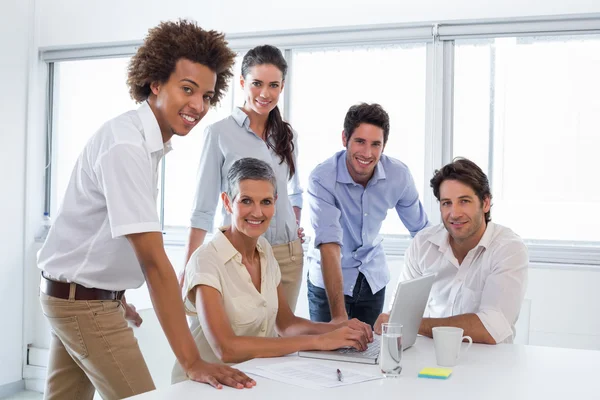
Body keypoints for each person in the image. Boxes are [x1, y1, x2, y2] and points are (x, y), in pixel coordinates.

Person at [36, 20, 255, 400]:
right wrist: (192, 361)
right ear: (155, 83)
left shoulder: (142, 141)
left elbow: (102, 234)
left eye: (206, 95)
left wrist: (114, 293)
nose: (198, 106)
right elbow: (155, 263)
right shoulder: (127, 146)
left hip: (76, 297)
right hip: (82, 306)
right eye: (187, 89)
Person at [173, 158, 372, 383]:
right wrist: (319, 342)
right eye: (246, 201)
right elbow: (226, 348)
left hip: (252, 379)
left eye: (266, 202)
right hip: (203, 387)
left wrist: (334, 328)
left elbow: (286, 325)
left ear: (275, 203)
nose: (257, 212)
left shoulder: (265, 250)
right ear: (228, 202)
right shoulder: (206, 260)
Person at [185, 45, 304, 312]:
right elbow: (203, 208)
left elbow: (293, 192)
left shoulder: (288, 136)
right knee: (235, 343)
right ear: (242, 82)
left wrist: (293, 223)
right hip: (239, 255)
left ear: (282, 87)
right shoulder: (219, 134)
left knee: (281, 340)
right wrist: (188, 267)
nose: (265, 93)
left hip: (288, 256)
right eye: (257, 83)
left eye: (274, 85)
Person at [374, 158, 528, 344]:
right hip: (429, 361)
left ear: (485, 203)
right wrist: (394, 322)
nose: (454, 213)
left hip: (488, 365)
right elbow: (399, 313)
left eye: (464, 201)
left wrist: (410, 323)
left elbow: (490, 328)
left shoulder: (508, 248)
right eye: (446, 203)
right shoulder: (423, 244)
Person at [306, 103, 429, 328]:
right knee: (327, 357)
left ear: (384, 146)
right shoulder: (322, 179)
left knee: (371, 355)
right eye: (360, 142)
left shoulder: (398, 175)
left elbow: (422, 231)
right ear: (345, 139)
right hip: (329, 284)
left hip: (372, 280)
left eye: (376, 144)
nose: (367, 153)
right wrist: (339, 318)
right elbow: (330, 245)